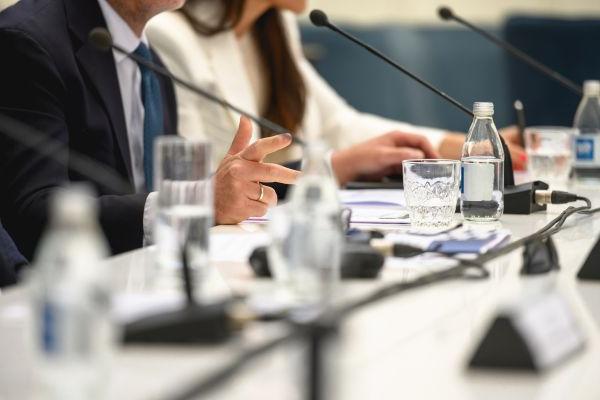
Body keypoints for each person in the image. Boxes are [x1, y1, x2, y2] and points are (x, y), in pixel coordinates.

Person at [0, 0, 302, 259]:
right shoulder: (29, 41)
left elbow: (165, 190)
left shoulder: (150, 61)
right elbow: (33, 214)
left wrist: (235, 186)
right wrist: (198, 200)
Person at [147, 0, 527, 179]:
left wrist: (467, 145)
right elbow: (203, 180)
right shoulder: (172, 37)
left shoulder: (275, 28)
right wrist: (335, 167)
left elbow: (338, 124)